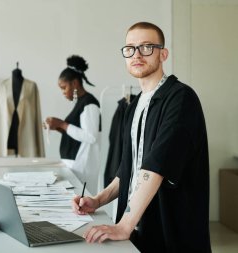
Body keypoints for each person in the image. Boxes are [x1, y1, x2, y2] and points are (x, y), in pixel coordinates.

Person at [72, 22, 211, 252]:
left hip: (172, 236)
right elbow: (128, 169)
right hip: (137, 233)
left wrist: (124, 225)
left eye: (147, 47)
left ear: (163, 54)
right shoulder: (134, 105)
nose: (137, 54)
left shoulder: (181, 99)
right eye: (130, 48)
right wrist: (98, 200)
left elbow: (156, 166)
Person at [45, 55, 101, 195]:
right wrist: (57, 126)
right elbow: (77, 133)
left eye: (64, 87)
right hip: (74, 164)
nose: (63, 92)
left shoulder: (90, 104)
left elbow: (90, 136)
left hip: (82, 166)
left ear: (75, 83)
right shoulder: (80, 103)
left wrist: (62, 124)